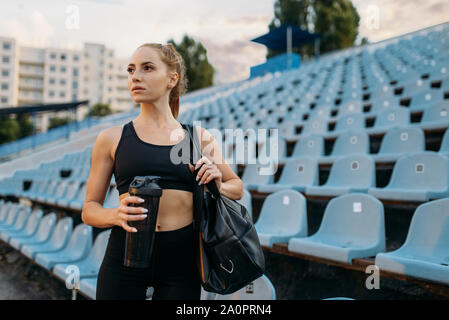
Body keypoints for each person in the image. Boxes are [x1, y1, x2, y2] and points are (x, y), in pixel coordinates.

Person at [81, 43, 244, 300]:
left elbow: (237, 188)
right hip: (124, 256)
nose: (135, 76)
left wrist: (217, 184)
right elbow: (89, 209)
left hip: (181, 261)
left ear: (172, 78)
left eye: (147, 68)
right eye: (131, 69)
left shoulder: (198, 137)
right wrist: (115, 215)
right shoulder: (111, 138)